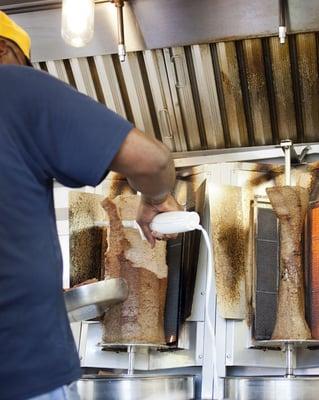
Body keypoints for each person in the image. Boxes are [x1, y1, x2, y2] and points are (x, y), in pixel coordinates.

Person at [0, 11, 180, 400]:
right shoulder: (11, 87)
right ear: (4, 49)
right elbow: (154, 161)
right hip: (21, 369)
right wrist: (152, 198)